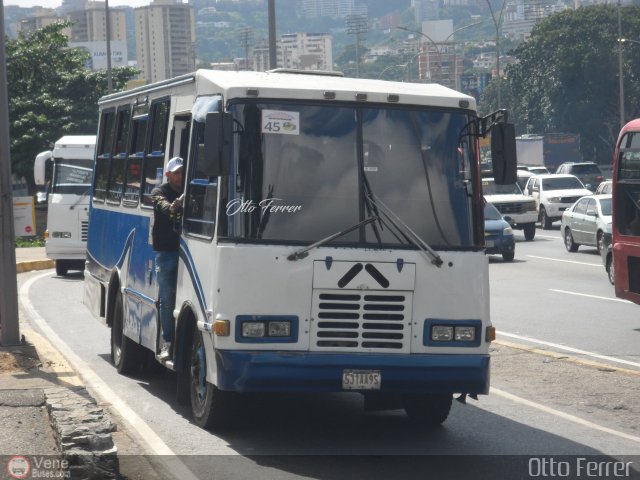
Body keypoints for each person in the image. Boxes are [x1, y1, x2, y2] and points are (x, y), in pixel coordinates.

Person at [151, 157, 184, 359]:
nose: (180, 176)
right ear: (168, 175)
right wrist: (176, 205)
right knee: (167, 299)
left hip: (190, 251)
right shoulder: (158, 193)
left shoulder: (192, 189)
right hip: (167, 252)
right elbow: (164, 207)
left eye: (182, 172)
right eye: (176, 173)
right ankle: (168, 342)